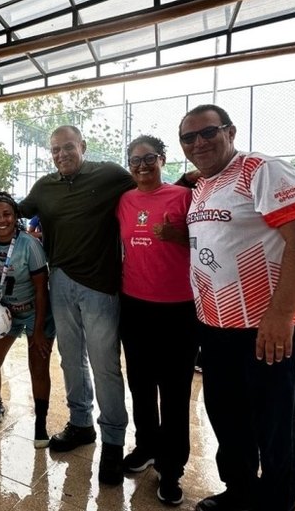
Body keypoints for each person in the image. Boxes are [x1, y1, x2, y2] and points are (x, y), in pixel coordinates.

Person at [179, 104, 295, 511]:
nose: (199, 142)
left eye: (208, 132)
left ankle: (275, 505)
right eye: (189, 138)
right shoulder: (203, 184)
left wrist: (279, 315)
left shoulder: (262, 170)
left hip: (269, 327)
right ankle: (239, 492)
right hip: (217, 328)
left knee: (274, 428)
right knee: (228, 418)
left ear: (231, 131)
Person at [18, 124, 135, 485]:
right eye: (54, 150)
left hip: (100, 286)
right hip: (61, 283)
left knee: (105, 366)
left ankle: (114, 442)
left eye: (67, 147)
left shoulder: (111, 175)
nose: (61, 155)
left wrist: (189, 180)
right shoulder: (45, 187)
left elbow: (147, 189)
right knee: (70, 359)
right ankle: (81, 423)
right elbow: (15, 211)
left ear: (82, 146)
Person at [116, 135, 198, 505]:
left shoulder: (183, 197)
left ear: (162, 160)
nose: (142, 165)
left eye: (149, 158)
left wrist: (179, 236)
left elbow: (211, 240)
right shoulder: (125, 200)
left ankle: (172, 467)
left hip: (178, 309)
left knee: (176, 391)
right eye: (135, 160)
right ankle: (146, 446)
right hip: (134, 306)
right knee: (141, 384)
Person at [0, 192, 54, 448]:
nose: (1, 220)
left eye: (7, 214)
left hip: (36, 312)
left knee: (38, 368)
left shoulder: (30, 245)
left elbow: (41, 290)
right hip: (4, 313)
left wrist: (38, 331)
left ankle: (40, 424)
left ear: (16, 216)